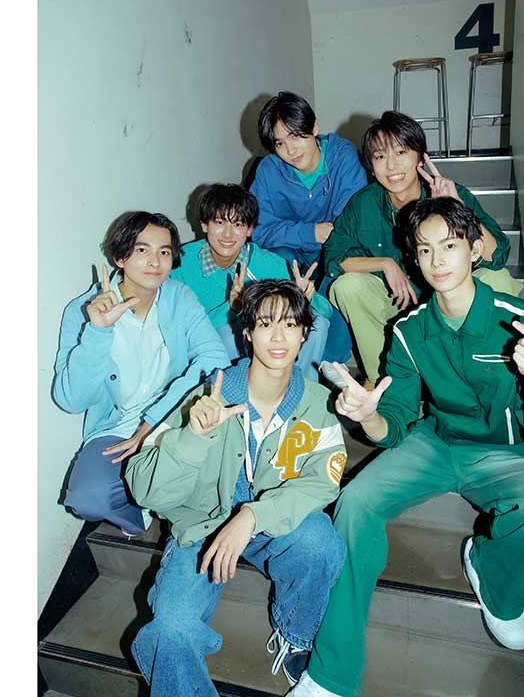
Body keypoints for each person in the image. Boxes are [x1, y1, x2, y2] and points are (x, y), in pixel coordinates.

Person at [289, 197, 524, 697]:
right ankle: (331, 673)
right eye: (424, 250)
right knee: (355, 501)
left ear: (474, 251)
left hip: (505, 454)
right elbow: (395, 423)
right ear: (414, 258)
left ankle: (491, 572)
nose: (437, 260)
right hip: (436, 442)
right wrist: (369, 415)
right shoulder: (409, 330)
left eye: (450, 245)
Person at [126, 280, 348, 695]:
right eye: (265, 324)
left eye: (290, 324)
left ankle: (295, 635)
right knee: (170, 631)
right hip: (202, 530)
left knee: (320, 542)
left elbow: (323, 482)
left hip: (270, 526)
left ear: (305, 333)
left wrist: (252, 515)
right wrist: (192, 438)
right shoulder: (208, 395)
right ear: (247, 333)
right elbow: (144, 489)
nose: (278, 337)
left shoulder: (318, 404)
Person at [52, 211, 229, 537]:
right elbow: (71, 400)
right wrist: (98, 331)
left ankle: (172, 501)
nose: (155, 261)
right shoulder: (83, 310)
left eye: (164, 251)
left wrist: (154, 422)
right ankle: (141, 511)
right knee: (87, 497)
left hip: (176, 416)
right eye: (142, 250)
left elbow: (215, 359)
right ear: (120, 257)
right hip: (118, 427)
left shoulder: (178, 297)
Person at [322, 110, 524, 384]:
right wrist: (385, 264)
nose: (391, 166)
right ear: (371, 165)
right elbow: (334, 257)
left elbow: (497, 255)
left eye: (401, 152)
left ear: (421, 158)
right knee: (347, 286)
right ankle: (388, 384)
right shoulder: (363, 204)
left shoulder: (450, 193)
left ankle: (481, 376)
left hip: (450, 300)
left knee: (498, 279)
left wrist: (458, 207)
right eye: (380, 157)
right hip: (396, 303)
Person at [171, 183, 342, 379]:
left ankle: (300, 389)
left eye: (238, 225)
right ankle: (231, 392)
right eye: (219, 222)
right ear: (204, 224)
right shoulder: (181, 265)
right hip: (213, 351)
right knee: (228, 333)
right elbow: (181, 328)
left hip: (268, 340)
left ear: (250, 229)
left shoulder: (267, 263)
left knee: (317, 325)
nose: (227, 234)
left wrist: (305, 299)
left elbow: (325, 313)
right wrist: (232, 309)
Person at [249, 91, 367, 271]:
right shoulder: (268, 171)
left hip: (338, 252)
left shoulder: (344, 158)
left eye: (294, 136)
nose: (290, 151)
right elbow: (259, 231)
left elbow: (346, 229)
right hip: (291, 253)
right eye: (280, 143)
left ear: (314, 128)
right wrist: (311, 233)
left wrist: (289, 233)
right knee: (273, 260)